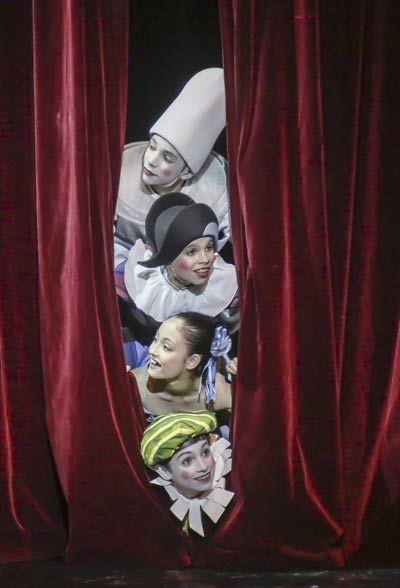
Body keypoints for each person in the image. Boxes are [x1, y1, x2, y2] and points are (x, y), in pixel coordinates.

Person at [114, 68, 230, 270]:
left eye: (167, 158)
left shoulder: (213, 195)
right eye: (152, 147)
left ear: (186, 172)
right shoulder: (120, 180)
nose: (151, 160)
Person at [121, 192, 238, 354]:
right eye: (191, 252)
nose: (205, 259)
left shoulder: (225, 289)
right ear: (167, 257)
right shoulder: (144, 290)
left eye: (209, 248)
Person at [140, 411, 234, 536]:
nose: (203, 466)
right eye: (187, 461)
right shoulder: (159, 509)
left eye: (205, 452)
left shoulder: (232, 483)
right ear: (164, 471)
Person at [130, 312, 237, 421]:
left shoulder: (216, 393)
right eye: (155, 339)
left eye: (166, 347)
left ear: (192, 361)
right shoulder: (135, 384)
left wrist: (246, 388)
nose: (152, 350)